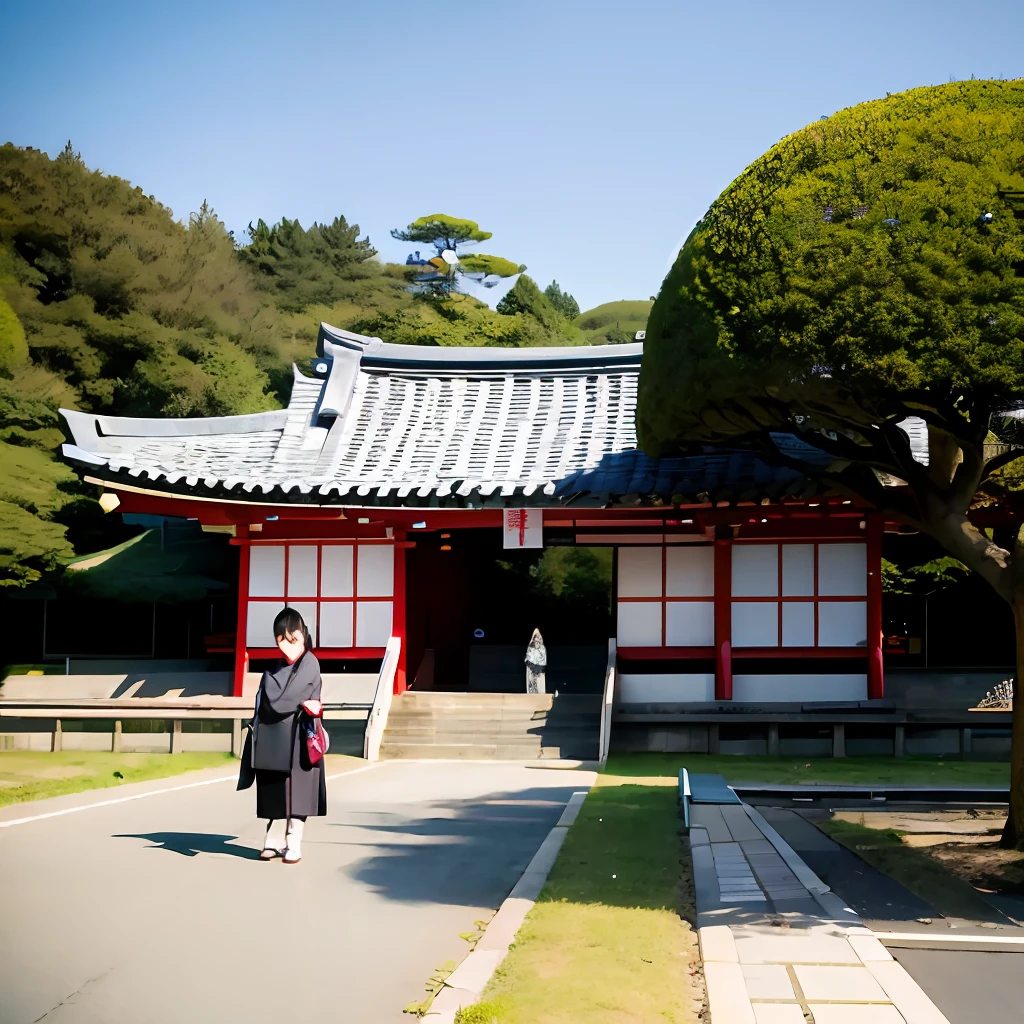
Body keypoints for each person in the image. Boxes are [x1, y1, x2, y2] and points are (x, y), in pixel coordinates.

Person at [238, 607, 327, 863]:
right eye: (282, 641)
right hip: (272, 738)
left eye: (293, 639)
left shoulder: (310, 663)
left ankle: (293, 843)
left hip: (299, 738)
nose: (288, 646)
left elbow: (287, 697)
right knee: (274, 790)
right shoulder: (273, 670)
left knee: (297, 794)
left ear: (303, 636)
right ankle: (272, 841)